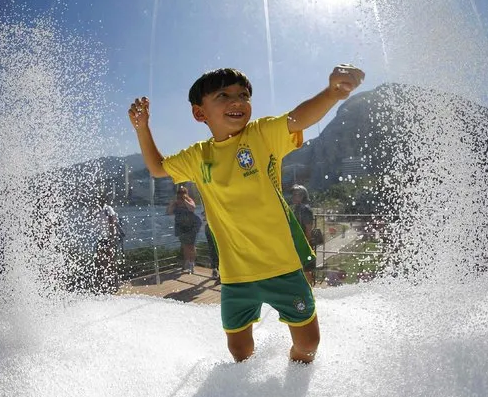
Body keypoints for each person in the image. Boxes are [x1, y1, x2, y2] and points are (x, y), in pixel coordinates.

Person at [129, 64, 365, 363]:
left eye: (243, 94)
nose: (237, 101)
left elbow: (297, 118)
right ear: (200, 113)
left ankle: (292, 393)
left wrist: (332, 94)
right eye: (223, 95)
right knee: (240, 351)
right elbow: (157, 167)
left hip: (283, 266)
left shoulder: (261, 135)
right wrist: (142, 129)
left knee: (308, 345)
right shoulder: (196, 156)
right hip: (236, 274)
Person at [167, 185, 201, 274]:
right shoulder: (176, 202)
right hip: (181, 227)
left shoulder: (189, 200)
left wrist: (185, 200)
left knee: (191, 246)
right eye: (179, 194)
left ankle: (192, 263)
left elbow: (192, 208)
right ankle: (187, 262)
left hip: (191, 226)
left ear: (186, 193)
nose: (181, 195)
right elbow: (169, 212)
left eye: (182, 193)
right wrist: (172, 203)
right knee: (185, 245)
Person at [290, 184, 317, 286]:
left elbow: (308, 228)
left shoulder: (305, 209)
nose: (293, 197)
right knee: (301, 268)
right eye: (293, 194)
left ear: (302, 196)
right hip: (298, 242)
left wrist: (307, 244)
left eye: (296, 195)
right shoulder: (297, 208)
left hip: (303, 243)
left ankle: (309, 290)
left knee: (306, 269)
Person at [93, 195, 119, 293]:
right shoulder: (98, 210)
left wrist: (112, 237)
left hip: (108, 238)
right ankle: (104, 284)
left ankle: (113, 284)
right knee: (100, 261)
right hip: (101, 238)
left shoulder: (108, 209)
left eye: (99, 199)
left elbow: (112, 221)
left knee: (110, 261)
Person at [203, 211, 220, 281]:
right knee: (212, 250)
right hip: (210, 227)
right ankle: (215, 271)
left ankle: (219, 273)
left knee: (218, 251)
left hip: (216, 227)